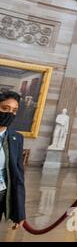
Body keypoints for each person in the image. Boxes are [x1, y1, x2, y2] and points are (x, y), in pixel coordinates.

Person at [0, 91, 26, 229]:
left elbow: (18, 177)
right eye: (5, 108)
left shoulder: (17, 138)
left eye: (14, 110)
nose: (9, 114)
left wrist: (19, 212)